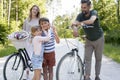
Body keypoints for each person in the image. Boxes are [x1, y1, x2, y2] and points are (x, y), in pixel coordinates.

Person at [72, 0, 104, 80]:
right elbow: (74, 23)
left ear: (89, 7)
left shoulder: (94, 12)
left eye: (85, 7)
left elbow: (91, 21)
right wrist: (75, 29)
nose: (83, 9)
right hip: (89, 40)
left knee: (98, 59)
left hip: (99, 39)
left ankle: (97, 76)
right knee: (87, 59)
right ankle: (87, 77)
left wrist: (80, 23)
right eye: (82, 7)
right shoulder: (80, 15)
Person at [22, 5, 40, 80]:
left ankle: (38, 75)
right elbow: (24, 30)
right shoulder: (27, 20)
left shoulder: (39, 20)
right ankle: (27, 76)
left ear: (37, 11)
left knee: (35, 58)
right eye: (33, 9)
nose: (34, 10)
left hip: (36, 41)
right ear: (31, 10)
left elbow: (40, 31)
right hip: (28, 41)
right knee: (27, 58)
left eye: (36, 9)